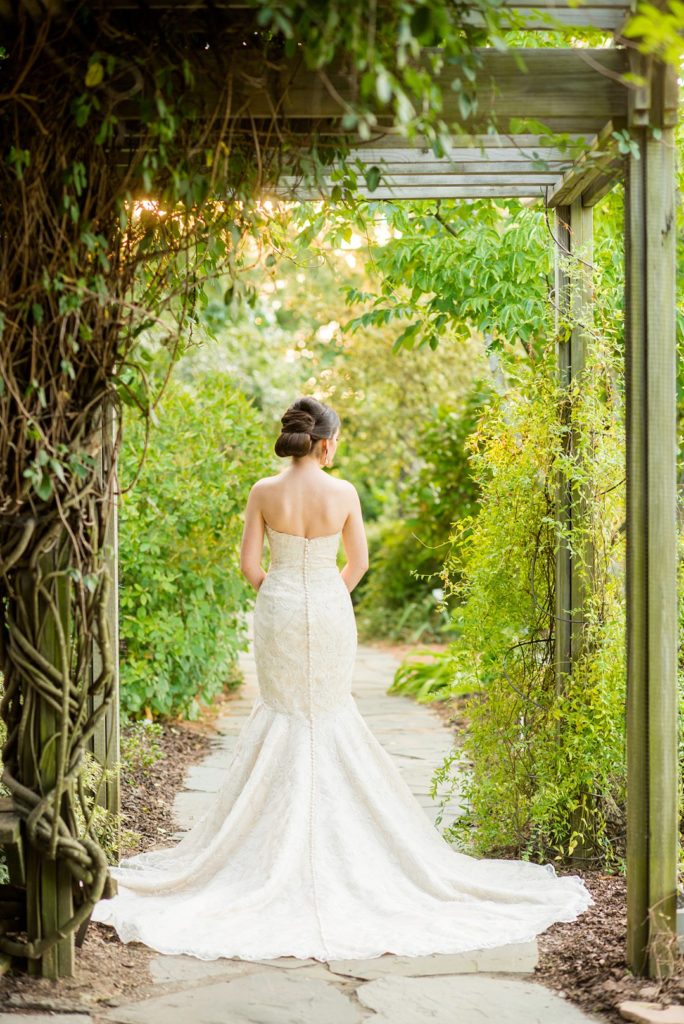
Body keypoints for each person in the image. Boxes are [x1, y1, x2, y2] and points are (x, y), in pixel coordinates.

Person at [91, 395, 593, 961]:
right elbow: (358, 564)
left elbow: (250, 567)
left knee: (285, 712)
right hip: (330, 611)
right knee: (326, 712)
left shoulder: (263, 491)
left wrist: (281, 594)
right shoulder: (345, 493)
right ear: (326, 443)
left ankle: (262, 846)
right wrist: (326, 595)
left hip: (277, 610)